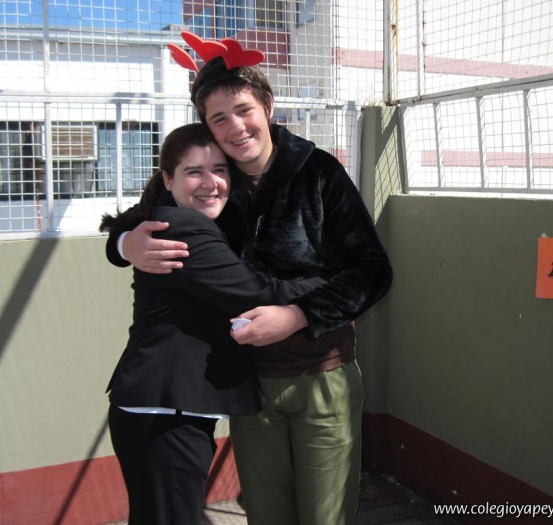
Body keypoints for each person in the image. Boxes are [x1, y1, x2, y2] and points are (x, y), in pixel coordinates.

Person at [105, 33, 393, 525]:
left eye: (243, 110)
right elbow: (140, 217)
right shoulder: (214, 178)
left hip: (321, 373)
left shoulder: (318, 172)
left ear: (268, 106)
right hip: (250, 383)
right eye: (219, 118)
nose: (235, 127)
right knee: (266, 514)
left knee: (325, 517)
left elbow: (373, 272)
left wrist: (299, 314)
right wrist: (124, 244)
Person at [100, 123, 325, 525]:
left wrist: (121, 242)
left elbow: (126, 225)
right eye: (194, 171)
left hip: (162, 408)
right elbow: (259, 293)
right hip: (166, 410)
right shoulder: (184, 230)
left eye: (220, 170)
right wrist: (333, 283)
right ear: (168, 179)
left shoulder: (186, 216)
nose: (211, 182)